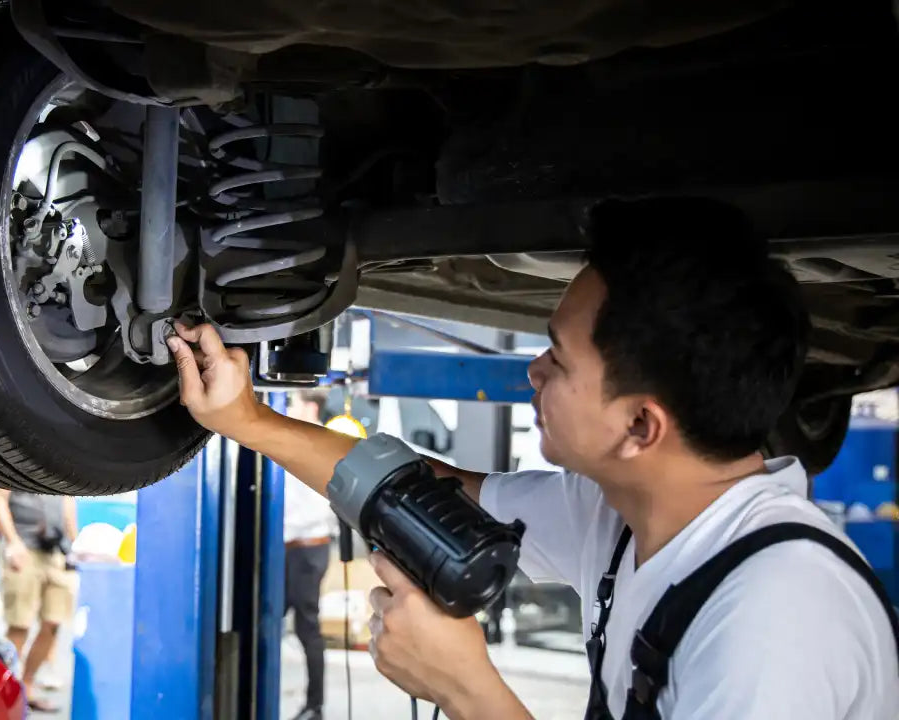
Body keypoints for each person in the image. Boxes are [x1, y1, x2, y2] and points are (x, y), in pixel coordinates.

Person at [168, 197, 899, 719]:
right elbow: (419, 493)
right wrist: (250, 420)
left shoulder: (775, 620)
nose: (533, 372)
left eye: (558, 358)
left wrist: (466, 688)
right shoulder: (621, 517)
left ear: (641, 426)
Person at [0, 488, 78, 713]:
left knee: (54, 622)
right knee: (20, 625)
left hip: (56, 550)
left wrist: (75, 543)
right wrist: (12, 542)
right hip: (24, 547)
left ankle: (27, 685)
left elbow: (67, 501)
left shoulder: (61, 463)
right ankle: (2, 691)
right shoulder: (17, 457)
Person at [282, 389, 338, 720]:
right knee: (271, 618)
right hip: (291, 548)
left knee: (307, 627)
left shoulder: (322, 444)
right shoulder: (297, 440)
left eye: (294, 402)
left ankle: (315, 705)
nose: (290, 408)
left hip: (308, 548)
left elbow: (315, 508)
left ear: (311, 406)